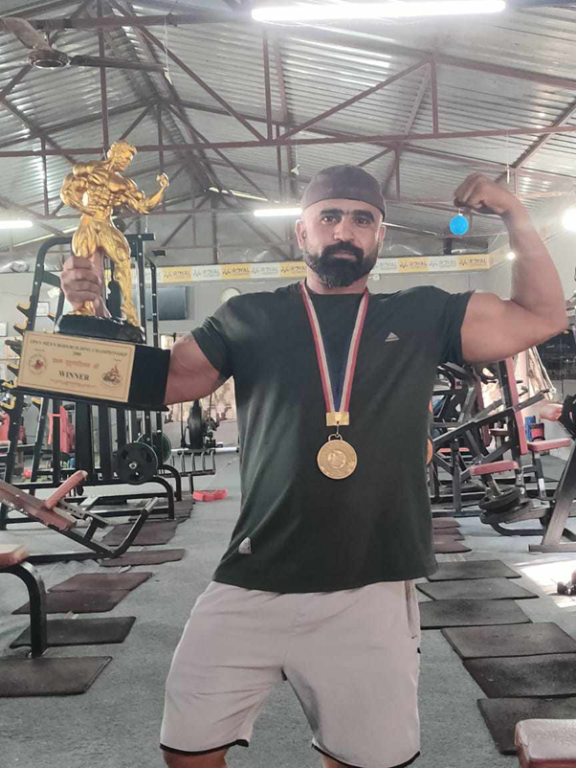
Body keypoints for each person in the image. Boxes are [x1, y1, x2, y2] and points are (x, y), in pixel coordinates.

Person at [60, 165, 567, 768]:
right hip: (254, 575)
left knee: (360, 760)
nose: (344, 230)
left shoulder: (423, 313)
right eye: (329, 217)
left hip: (371, 582)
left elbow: (541, 317)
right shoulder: (249, 316)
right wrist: (86, 314)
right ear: (301, 233)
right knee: (187, 750)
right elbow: (164, 380)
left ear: (380, 236)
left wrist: (515, 213)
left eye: (362, 219)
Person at [60, 140, 169, 326]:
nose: (127, 162)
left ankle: (130, 313)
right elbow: (67, 191)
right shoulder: (89, 169)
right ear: (114, 154)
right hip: (88, 223)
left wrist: (162, 189)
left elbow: (143, 206)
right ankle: (84, 308)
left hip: (105, 223)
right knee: (85, 266)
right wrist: (82, 207)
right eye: (125, 157)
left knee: (123, 257)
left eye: (129, 160)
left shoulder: (126, 184)